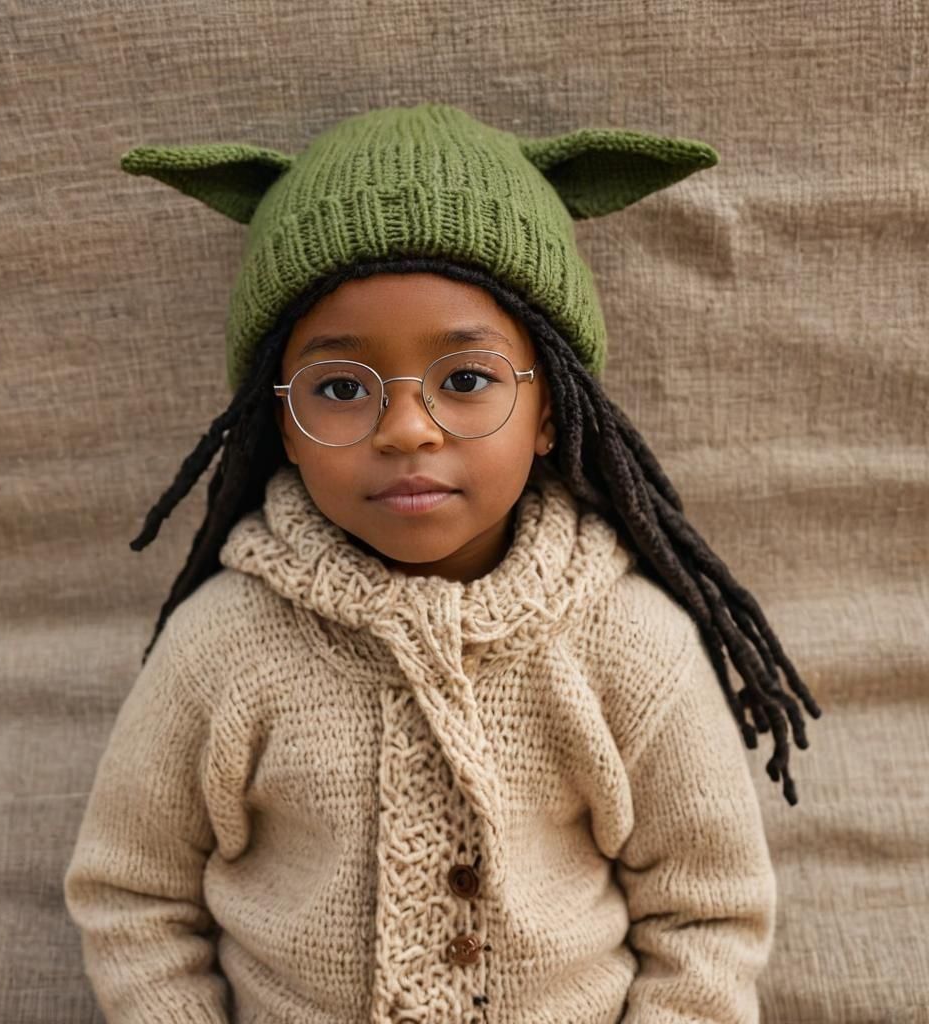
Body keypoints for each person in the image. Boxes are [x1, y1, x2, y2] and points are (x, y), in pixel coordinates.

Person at [63, 101, 822, 1024]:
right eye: (341, 388)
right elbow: (134, 896)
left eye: (466, 380)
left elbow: (708, 915)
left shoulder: (631, 645)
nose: (407, 429)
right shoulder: (223, 644)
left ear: (550, 410)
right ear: (282, 430)